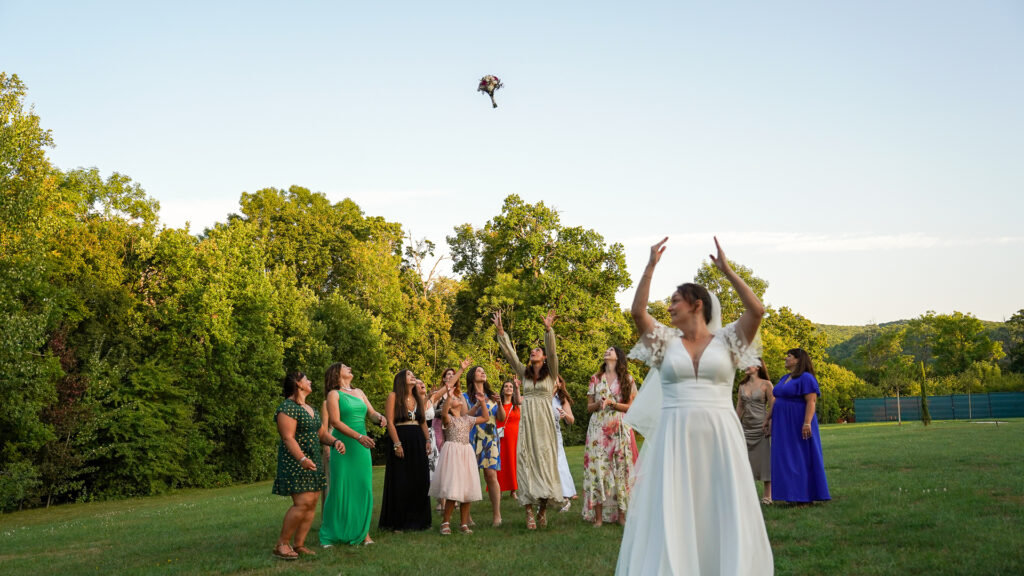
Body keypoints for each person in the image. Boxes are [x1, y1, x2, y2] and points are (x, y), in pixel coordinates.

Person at [617, 237, 773, 575]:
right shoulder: (664, 344)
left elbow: (757, 310)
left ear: (696, 304)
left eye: (675, 301)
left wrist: (728, 271)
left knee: (721, 503)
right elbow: (637, 312)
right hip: (675, 436)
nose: (669, 307)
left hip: (720, 435)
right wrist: (649, 267)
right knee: (675, 507)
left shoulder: (729, 340)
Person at [494, 309, 565, 529]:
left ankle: (542, 509)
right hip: (527, 423)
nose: (533, 352)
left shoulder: (551, 372)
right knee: (525, 462)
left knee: (544, 464)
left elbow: (553, 353)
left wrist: (548, 330)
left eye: (538, 350)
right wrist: (501, 331)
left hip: (544, 422)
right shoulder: (523, 373)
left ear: (543, 358)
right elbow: (510, 356)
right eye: (532, 351)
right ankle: (529, 512)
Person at [272, 372, 345, 560]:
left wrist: (335, 441)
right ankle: (281, 544)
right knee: (302, 503)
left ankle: (299, 544)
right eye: (306, 380)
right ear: (298, 384)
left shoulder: (310, 408)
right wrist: (302, 459)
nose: (310, 382)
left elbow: (321, 435)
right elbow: (288, 438)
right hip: (296, 462)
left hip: (313, 460)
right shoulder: (287, 408)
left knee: (312, 503)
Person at [320, 362, 387, 547]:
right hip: (344, 444)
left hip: (361, 446)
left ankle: (363, 533)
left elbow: (371, 413)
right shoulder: (334, 394)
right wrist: (358, 436)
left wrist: (380, 418)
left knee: (363, 487)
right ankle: (330, 534)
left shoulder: (359, 392)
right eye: (345, 367)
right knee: (339, 488)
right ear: (336, 373)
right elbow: (335, 421)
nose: (350, 368)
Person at [582, 346, 637, 527]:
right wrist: (599, 403)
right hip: (598, 429)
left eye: (611, 350)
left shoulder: (628, 379)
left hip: (619, 427)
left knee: (621, 470)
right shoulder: (595, 379)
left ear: (618, 356)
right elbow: (589, 407)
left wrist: (613, 404)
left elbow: (632, 407)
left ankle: (621, 516)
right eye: (606, 350)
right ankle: (598, 518)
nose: (607, 351)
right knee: (597, 470)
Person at [769, 348, 831, 504]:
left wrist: (807, 423)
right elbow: (777, 400)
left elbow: (811, 401)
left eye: (788, 356)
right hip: (782, 424)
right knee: (784, 457)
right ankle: (790, 495)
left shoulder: (806, 378)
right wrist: (767, 418)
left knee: (799, 457)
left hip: (798, 421)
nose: (785, 358)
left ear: (797, 359)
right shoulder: (785, 378)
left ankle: (804, 497)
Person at [429, 387, 491, 534]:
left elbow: (485, 418)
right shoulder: (448, 418)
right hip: (453, 454)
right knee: (453, 489)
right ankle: (445, 522)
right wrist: (449, 396)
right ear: (450, 405)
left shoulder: (467, 419)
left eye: (457, 398)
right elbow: (443, 412)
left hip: (466, 453)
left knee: (466, 489)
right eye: (456, 399)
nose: (458, 400)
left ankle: (464, 524)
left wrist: (482, 402)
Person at [379, 369, 432, 532]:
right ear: (401, 379)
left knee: (420, 479)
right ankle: (399, 523)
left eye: (413, 374)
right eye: (409, 374)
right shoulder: (393, 396)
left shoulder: (418, 397)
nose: (413, 375)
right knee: (401, 480)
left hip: (418, 439)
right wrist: (397, 444)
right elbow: (390, 422)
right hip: (401, 437)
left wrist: (428, 440)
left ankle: (421, 521)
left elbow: (422, 421)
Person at [464, 365, 507, 527]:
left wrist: (500, 403)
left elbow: (501, 418)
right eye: (479, 371)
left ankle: (497, 515)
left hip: (490, 439)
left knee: (491, 476)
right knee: (470, 478)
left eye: (484, 371)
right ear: (472, 376)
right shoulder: (466, 397)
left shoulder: (491, 396)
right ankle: (466, 516)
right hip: (471, 439)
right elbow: (463, 417)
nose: (483, 373)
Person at [736, 360, 775, 505]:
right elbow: (739, 407)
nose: (745, 365)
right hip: (745, 428)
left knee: (765, 460)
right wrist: (735, 425)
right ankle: (746, 496)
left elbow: (772, 404)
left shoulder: (766, 384)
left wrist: (769, 422)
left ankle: (767, 496)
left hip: (761, 427)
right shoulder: (742, 386)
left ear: (758, 367)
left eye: (749, 363)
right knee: (744, 462)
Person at [552, 375, 577, 510]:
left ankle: (565, 496)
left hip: (555, 434)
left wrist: (564, 414)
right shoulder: (541, 397)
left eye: (555, 378)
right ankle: (547, 497)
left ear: (560, 384)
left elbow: (571, 420)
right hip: (541, 434)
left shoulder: (561, 400)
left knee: (559, 463)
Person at [495, 378, 521, 499]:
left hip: (514, 437)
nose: (508, 388)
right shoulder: (497, 404)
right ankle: (498, 488)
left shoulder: (517, 405)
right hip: (501, 436)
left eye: (510, 387)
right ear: (502, 389)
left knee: (513, 461)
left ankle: (513, 490)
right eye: (506, 386)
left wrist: (518, 388)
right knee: (500, 462)